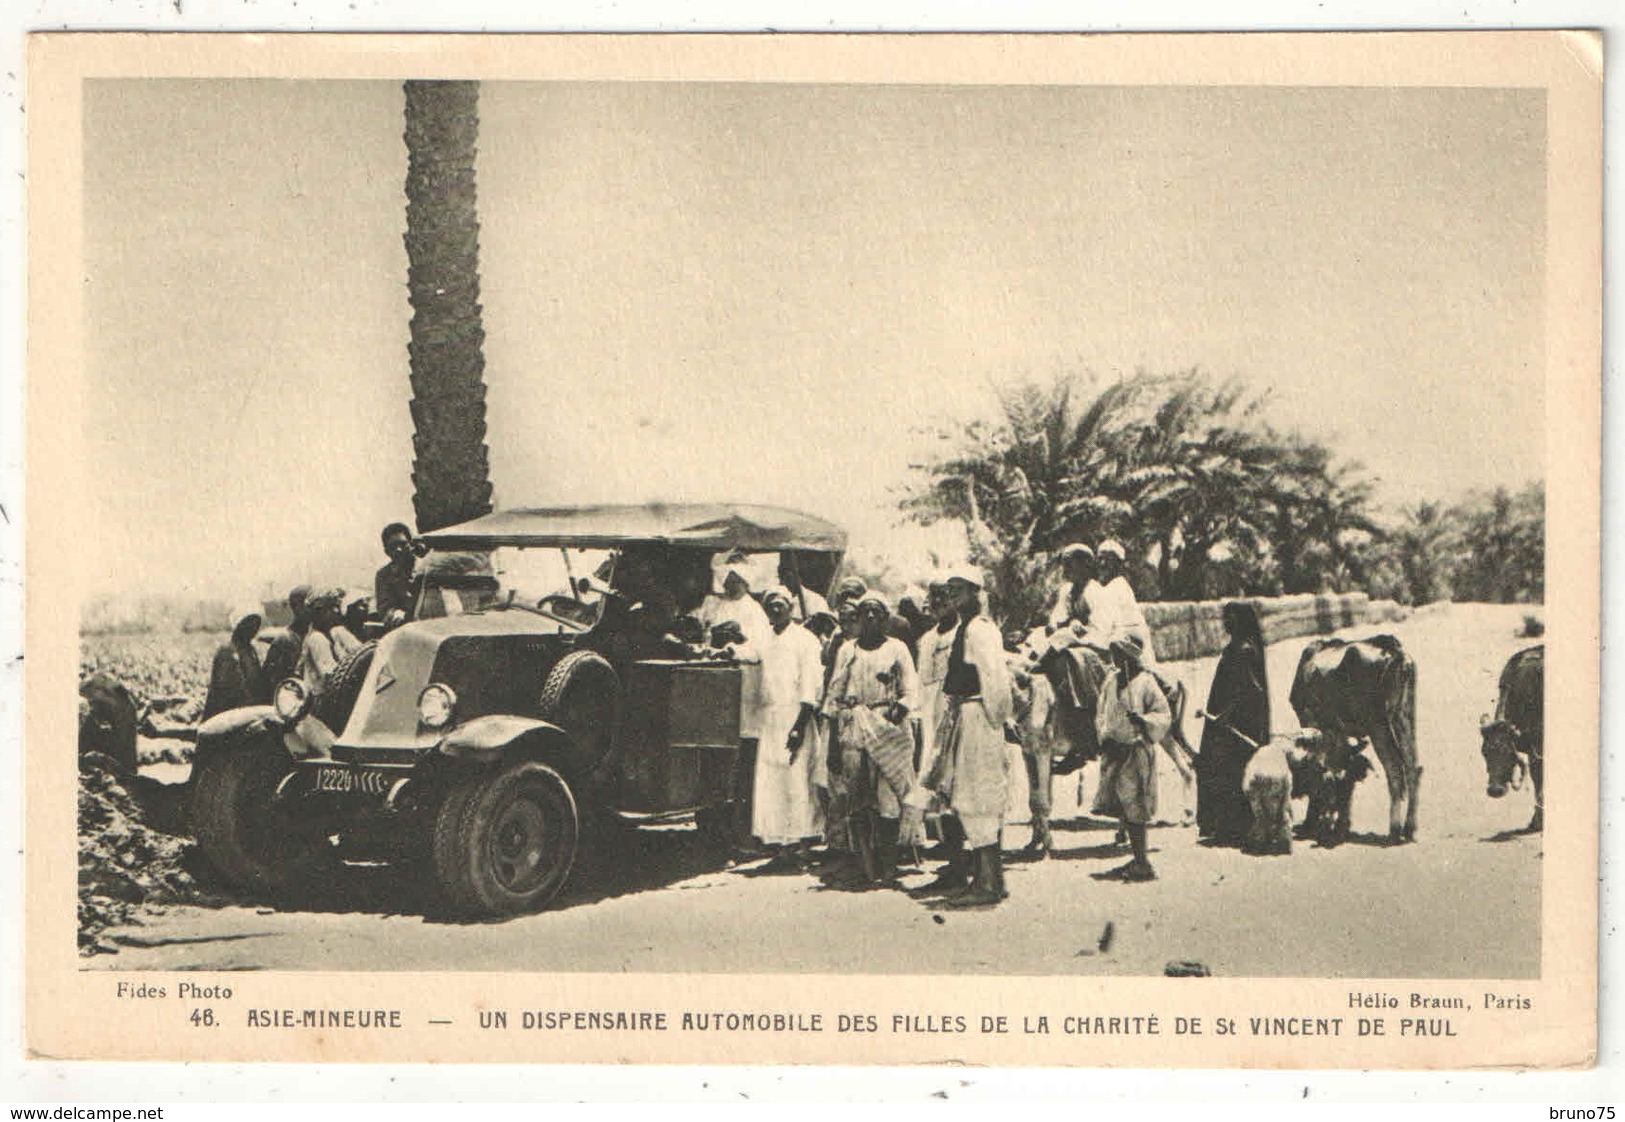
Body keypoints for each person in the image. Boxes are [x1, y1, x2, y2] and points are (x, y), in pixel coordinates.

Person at [919, 567, 1014, 907]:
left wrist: (994, 720)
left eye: (961, 589)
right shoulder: (967, 629)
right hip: (966, 714)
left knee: (979, 795)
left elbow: (995, 681)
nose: (955, 595)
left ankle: (988, 883)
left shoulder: (981, 631)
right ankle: (988, 879)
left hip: (979, 716)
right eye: (951, 589)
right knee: (969, 797)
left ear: (976, 592)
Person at [823, 593, 921, 888]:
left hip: (888, 728)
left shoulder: (897, 648)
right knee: (857, 798)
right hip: (854, 727)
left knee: (888, 798)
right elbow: (833, 696)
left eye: (876, 613)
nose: (869, 618)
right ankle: (864, 865)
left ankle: (889, 866)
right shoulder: (847, 650)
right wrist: (832, 744)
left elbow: (911, 690)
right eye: (864, 612)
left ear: (885, 618)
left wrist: (896, 711)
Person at [698, 560, 772, 853]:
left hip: (745, 692)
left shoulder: (754, 611)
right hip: (718, 688)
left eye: (734, 578)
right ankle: (711, 831)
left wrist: (735, 647)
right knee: (715, 764)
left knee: (742, 767)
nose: (729, 583)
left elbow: (759, 649)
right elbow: (704, 631)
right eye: (725, 577)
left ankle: (741, 834)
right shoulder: (714, 605)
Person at [752, 588, 826, 865]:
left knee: (797, 782)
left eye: (780, 605)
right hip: (770, 718)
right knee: (773, 783)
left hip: (796, 715)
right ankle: (780, 845)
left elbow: (810, 684)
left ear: (791, 607)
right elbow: (750, 654)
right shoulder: (765, 638)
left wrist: (799, 726)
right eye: (770, 606)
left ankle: (803, 844)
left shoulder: (805, 640)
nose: (775, 610)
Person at [1093, 632, 1172, 882]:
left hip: (1136, 751)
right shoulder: (1111, 681)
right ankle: (1138, 858)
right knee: (1123, 805)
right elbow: (1101, 712)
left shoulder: (1147, 683)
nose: (1114, 658)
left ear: (1129, 656)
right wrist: (1104, 737)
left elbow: (1163, 715)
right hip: (1115, 750)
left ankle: (1142, 862)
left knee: (1135, 805)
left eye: (1119, 653)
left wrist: (1144, 721)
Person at [1196, 600, 1270, 846]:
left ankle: (1235, 827)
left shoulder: (1244, 650)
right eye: (1225, 618)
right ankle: (1226, 826)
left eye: (1231, 618)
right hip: (1226, 721)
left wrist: (1227, 714)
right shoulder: (1235, 648)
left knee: (1231, 772)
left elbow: (1250, 690)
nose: (1225, 623)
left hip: (1238, 725)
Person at [1092, 540, 1158, 664]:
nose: (1103, 564)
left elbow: (1109, 626)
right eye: (1100, 559)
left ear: (1119, 565)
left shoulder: (1118, 587)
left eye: (1109, 560)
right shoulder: (1103, 588)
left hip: (1128, 650)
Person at [202, 607, 268, 720]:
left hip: (247, 713)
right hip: (226, 716)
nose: (253, 628)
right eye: (249, 623)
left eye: (256, 624)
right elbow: (231, 691)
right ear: (238, 625)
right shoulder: (228, 651)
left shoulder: (250, 650)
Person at [296, 589, 345, 698]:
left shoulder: (331, 635)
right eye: (332, 607)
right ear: (319, 611)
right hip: (322, 701)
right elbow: (330, 675)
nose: (337, 611)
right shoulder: (317, 639)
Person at [260, 584, 312, 687]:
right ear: (297, 608)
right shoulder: (285, 639)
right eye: (309, 606)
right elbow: (269, 679)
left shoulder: (312, 635)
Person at [375, 522, 423, 627]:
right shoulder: (384, 575)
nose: (398, 550)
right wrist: (394, 613)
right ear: (387, 552)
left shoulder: (427, 567)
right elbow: (385, 606)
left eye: (402, 544)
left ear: (411, 544)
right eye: (392, 547)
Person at [777, 554, 831, 623]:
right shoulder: (777, 601)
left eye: (788, 578)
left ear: (799, 577)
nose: (783, 582)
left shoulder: (816, 600)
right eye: (781, 577)